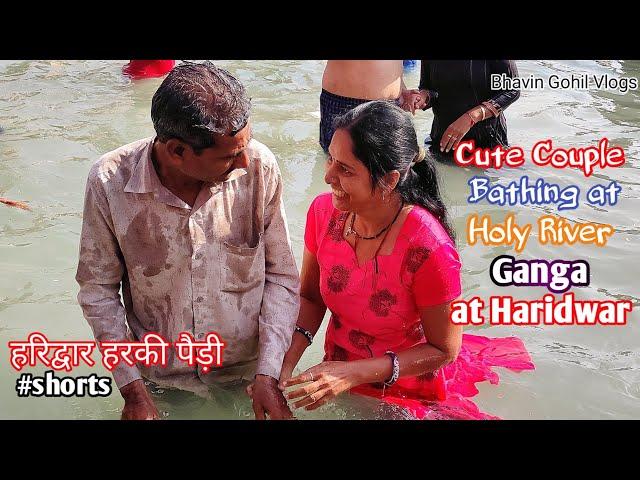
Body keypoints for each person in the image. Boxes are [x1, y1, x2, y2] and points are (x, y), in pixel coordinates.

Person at [279, 101, 534, 419]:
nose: (328, 176)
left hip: (406, 389)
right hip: (337, 370)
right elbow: (311, 299)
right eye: (331, 159)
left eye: (345, 169)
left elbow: (444, 349)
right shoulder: (324, 213)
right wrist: (284, 365)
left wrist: (354, 373)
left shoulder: (429, 247)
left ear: (388, 180)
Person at [76, 61, 300, 420]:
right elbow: (98, 291)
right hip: (160, 378)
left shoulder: (261, 166)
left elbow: (282, 277)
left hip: (246, 373)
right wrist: (131, 390)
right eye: (229, 156)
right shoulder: (109, 182)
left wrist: (269, 374)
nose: (245, 161)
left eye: (246, 145)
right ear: (177, 151)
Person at [401, 60, 520, 155]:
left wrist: (471, 117)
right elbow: (427, 88)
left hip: (487, 143)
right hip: (442, 141)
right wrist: (422, 98)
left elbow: (512, 90)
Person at [320, 61, 416, 152]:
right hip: (343, 100)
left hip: (391, 103)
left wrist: (401, 88)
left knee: (386, 162)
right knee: (336, 160)